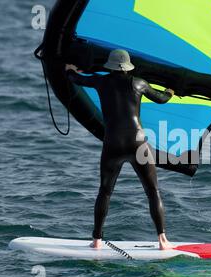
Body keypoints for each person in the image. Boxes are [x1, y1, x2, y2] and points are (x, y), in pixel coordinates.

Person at [65, 49, 175, 250]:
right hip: (137, 143)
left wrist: (70, 70)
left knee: (105, 192)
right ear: (128, 66)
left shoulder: (101, 81)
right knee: (152, 191)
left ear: (110, 66)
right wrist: (170, 91)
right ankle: (162, 240)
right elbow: (161, 98)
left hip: (113, 144)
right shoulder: (138, 83)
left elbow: (76, 79)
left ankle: (97, 240)